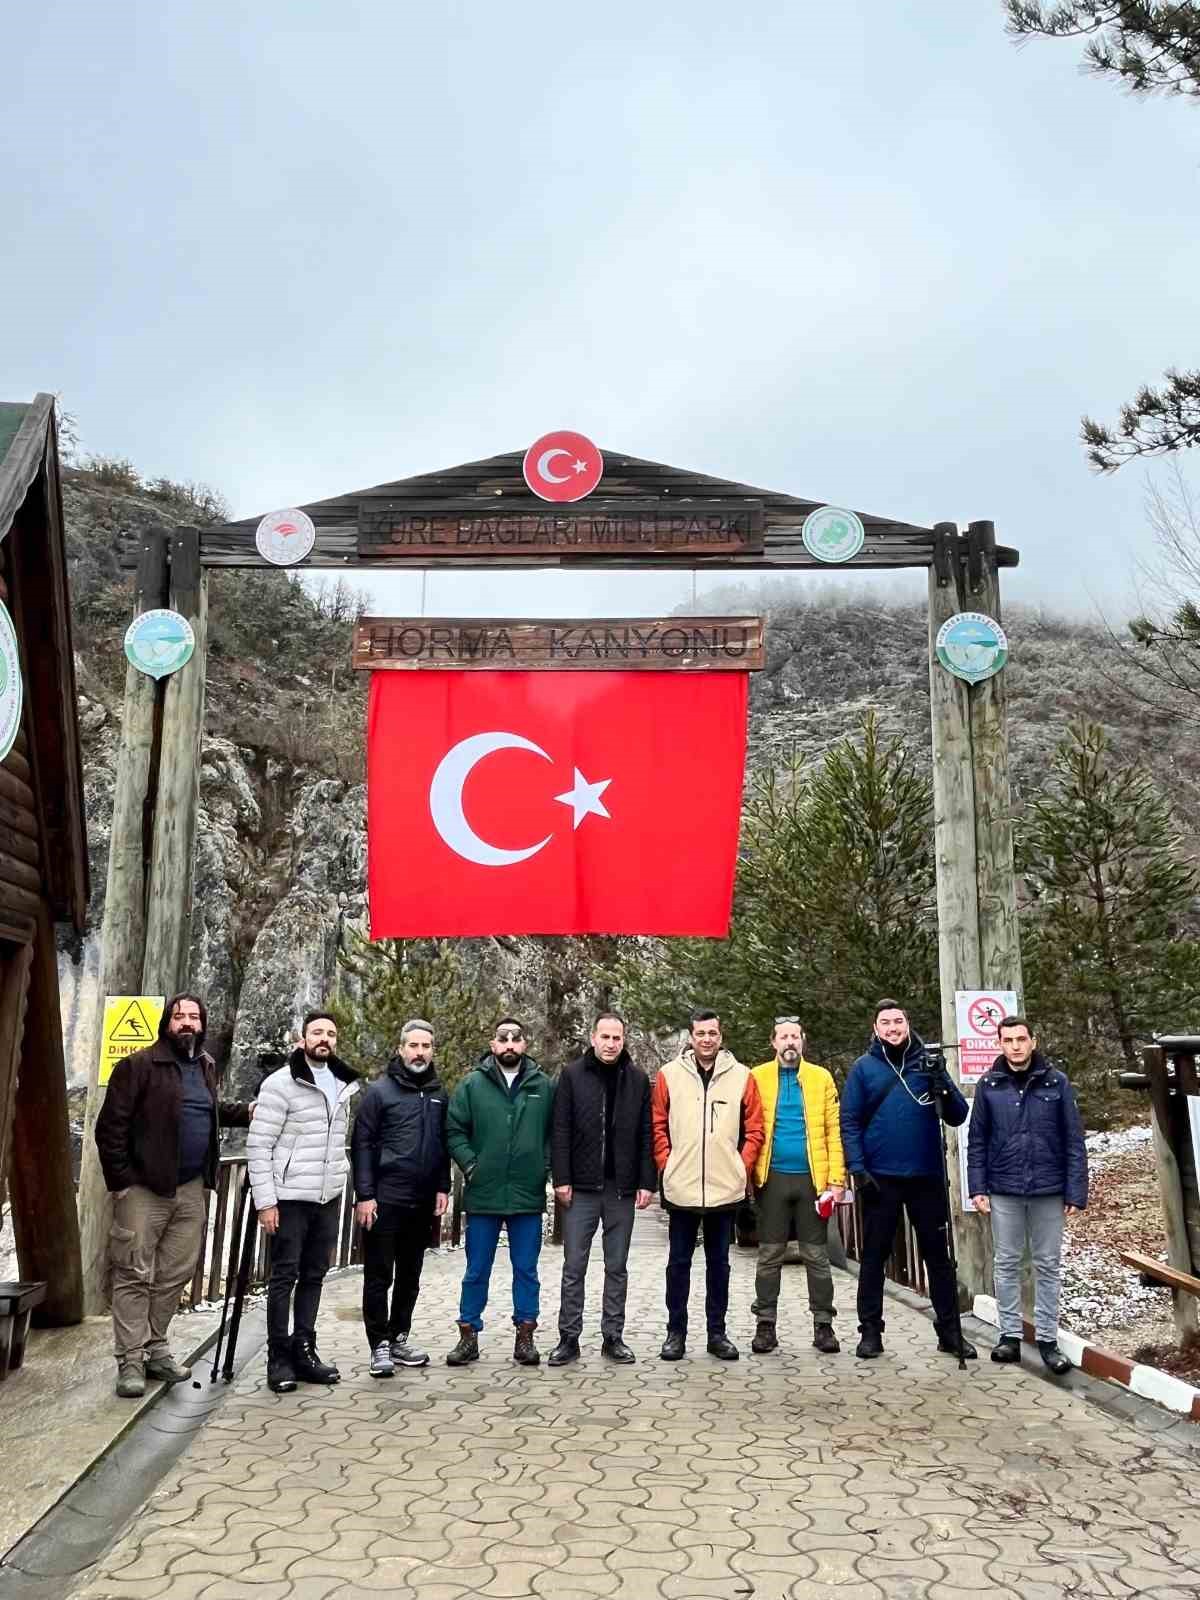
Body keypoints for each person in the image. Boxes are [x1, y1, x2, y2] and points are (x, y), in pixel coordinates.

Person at [95, 993, 251, 1398]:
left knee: (174, 1274)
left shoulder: (205, 1066)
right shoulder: (139, 1065)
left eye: (193, 1017)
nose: (186, 1023)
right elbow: (110, 1129)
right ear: (167, 1023)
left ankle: (156, 1349)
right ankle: (130, 1360)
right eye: (179, 1016)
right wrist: (123, 1182)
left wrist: (249, 1111)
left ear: (202, 1024)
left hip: (190, 1189)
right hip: (144, 1190)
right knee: (133, 1273)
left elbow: (207, 1111)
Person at [840, 999, 976, 1362]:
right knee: (874, 1258)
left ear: (907, 1024)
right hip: (880, 1178)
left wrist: (942, 1083)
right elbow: (850, 1120)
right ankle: (870, 1331)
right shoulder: (864, 1069)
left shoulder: (927, 1065)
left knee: (938, 1257)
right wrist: (857, 1167)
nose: (892, 1028)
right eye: (885, 1022)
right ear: (875, 1028)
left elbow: (958, 1116)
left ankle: (949, 1331)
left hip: (926, 1175)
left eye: (898, 1021)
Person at [967, 1015, 1087, 1375]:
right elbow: (977, 1140)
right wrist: (978, 1186)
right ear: (1000, 1044)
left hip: (1049, 1188)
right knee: (1006, 1262)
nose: (1016, 1046)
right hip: (1004, 1187)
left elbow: (1073, 1140)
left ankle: (1048, 1341)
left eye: (1021, 1039)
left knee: (1047, 1264)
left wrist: (1075, 1189)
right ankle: (1009, 1337)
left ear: (1033, 1041)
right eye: (1008, 1040)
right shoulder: (989, 1085)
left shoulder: (1057, 1083)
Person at [247, 1011, 360, 1393]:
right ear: (302, 1038)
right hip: (290, 1196)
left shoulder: (344, 1084)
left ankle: (305, 1350)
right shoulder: (280, 1084)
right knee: (284, 1276)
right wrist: (266, 1202)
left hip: (327, 1195)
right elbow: (259, 1144)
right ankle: (278, 1357)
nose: (323, 1038)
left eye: (330, 1032)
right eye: (317, 1032)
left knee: (315, 1275)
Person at [651, 1009, 765, 1361]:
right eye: (700, 1033)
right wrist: (666, 1164)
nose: (706, 1039)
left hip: (724, 1188)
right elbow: (657, 1125)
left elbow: (755, 1129)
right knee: (678, 1263)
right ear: (691, 1036)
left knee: (719, 1264)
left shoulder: (742, 1076)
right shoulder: (669, 1075)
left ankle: (717, 1333)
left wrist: (738, 1167)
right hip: (681, 1185)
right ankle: (676, 1333)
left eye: (712, 1033)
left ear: (721, 1036)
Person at [445, 1019, 556, 1367]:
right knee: (477, 1269)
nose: (509, 1044)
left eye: (516, 1039)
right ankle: (468, 1336)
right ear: (493, 1045)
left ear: (524, 1044)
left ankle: (525, 1336)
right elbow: (454, 1129)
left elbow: (555, 1133)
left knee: (526, 1269)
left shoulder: (543, 1085)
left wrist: (545, 1167)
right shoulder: (472, 1085)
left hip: (527, 1194)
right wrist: (471, 1166)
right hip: (485, 1193)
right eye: (503, 1039)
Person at [548, 1011, 656, 1366]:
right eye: (605, 1037)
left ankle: (613, 1337)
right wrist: (560, 1178)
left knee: (617, 1265)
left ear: (624, 1040)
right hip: (580, 1187)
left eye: (617, 1038)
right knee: (574, 1264)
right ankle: (569, 1338)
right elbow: (560, 1129)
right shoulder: (572, 1075)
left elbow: (646, 1134)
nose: (611, 1044)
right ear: (593, 1038)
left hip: (621, 1189)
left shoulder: (638, 1080)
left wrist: (646, 1181)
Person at [352, 1018, 450, 1378]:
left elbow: (443, 1145)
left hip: (422, 1201)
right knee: (379, 1275)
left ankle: (398, 1337)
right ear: (401, 1048)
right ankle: (378, 1344)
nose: (419, 1052)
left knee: (411, 1275)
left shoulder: (440, 1094)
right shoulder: (379, 1093)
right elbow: (361, 1145)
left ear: (432, 1050)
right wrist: (365, 1195)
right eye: (413, 1046)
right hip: (384, 1199)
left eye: (425, 1046)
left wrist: (444, 1187)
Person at [749, 1017, 845, 1356]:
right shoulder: (757, 1077)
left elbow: (834, 1131)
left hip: (812, 1180)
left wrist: (836, 1180)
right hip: (771, 1178)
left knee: (816, 1256)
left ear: (802, 1041)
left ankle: (823, 1325)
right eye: (783, 1036)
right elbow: (746, 1126)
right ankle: (765, 1325)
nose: (790, 1041)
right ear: (773, 1042)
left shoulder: (820, 1078)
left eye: (795, 1036)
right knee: (769, 1254)